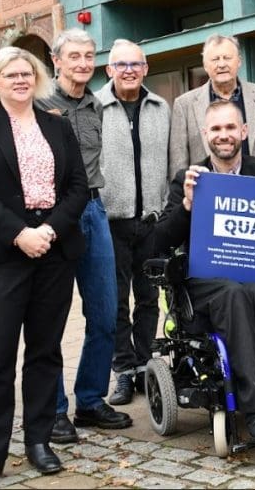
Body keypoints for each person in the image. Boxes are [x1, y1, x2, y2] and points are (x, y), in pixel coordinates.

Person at [0, 47, 89, 489]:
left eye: (26, 73)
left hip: (54, 249)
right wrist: (20, 234)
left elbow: (77, 187)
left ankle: (39, 441)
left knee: (45, 352)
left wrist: (48, 230)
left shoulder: (57, 124)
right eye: (10, 74)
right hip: (1, 252)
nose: (19, 80)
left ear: (37, 78)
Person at [151, 100, 255, 441]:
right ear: (205, 134)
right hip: (207, 281)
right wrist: (186, 205)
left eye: (230, 128)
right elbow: (160, 240)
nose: (223, 135)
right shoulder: (189, 178)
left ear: (243, 131)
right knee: (234, 292)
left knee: (252, 290)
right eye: (216, 129)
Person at [36, 30, 132, 444]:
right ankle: (55, 410)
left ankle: (90, 400)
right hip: (53, 216)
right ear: (57, 61)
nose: (82, 62)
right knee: (50, 318)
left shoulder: (97, 105)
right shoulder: (38, 106)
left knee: (106, 312)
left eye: (89, 55)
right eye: (73, 56)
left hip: (94, 209)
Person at [95, 40, 171, 406]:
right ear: (109, 70)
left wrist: (165, 207)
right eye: (120, 64)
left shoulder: (160, 108)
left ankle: (144, 365)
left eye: (135, 64)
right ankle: (123, 371)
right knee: (115, 302)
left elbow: (172, 160)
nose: (128, 70)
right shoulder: (96, 107)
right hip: (111, 222)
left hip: (151, 219)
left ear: (145, 68)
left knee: (149, 297)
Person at [169, 33, 255, 179]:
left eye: (227, 58)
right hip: (207, 194)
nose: (221, 64)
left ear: (239, 61)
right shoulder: (184, 105)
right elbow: (178, 163)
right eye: (215, 59)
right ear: (205, 66)